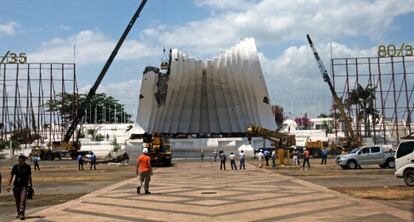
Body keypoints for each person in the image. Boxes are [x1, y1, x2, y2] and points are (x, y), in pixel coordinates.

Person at [7, 155, 33, 220]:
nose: (20, 162)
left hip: (24, 186)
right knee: (17, 201)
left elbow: (29, 176)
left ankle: (22, 213)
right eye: (19, 161)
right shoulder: (15, 167)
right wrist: (8, 185)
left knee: (23, 200)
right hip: (16, 186)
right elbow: (11, 176)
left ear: (24, 160)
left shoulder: (27, 167)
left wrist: (31, 185)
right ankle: (19, 213)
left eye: (21, 161)